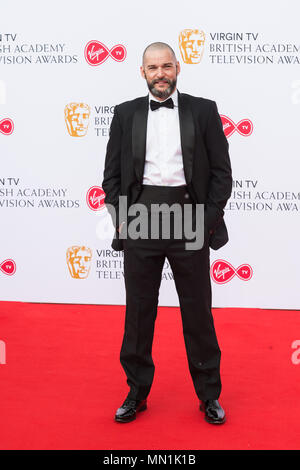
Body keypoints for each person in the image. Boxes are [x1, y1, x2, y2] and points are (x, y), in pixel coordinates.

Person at [102, 42, 232, 425]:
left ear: (178, 68)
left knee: (197, 312)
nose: (161, 73)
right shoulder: (125, 114)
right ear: (142, 72)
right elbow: (111, 175)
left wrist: (206, 219)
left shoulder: (203, 110)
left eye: (167, 66)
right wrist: (122, 217)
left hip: (189, 214)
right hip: (141, 217)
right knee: (139, 313)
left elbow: (222, 174)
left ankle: (209, 395)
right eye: (153, 67)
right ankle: (136, 393)